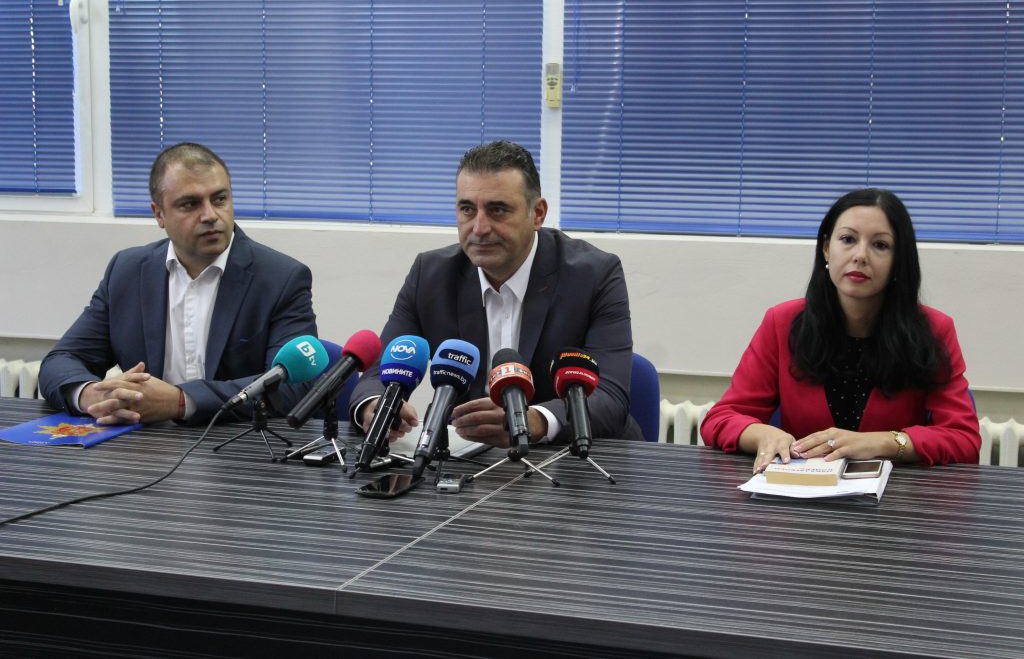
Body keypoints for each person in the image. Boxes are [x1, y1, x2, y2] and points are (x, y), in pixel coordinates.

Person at [349, 140, 643, 446]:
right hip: (468, 457)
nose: (479, 228)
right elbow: (377, 375)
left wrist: (534, 420)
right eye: (467, 209)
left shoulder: (594, 275)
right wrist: (374, 405)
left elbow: (610, 397)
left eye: (497, 210)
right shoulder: (431, 275)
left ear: (537, 213)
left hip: (575, 455)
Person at [39, 142, 318, 426]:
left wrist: (181, 402)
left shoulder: (281, 278)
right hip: (145, 444)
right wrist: (92, 395)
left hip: (237, 444)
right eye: (190, 204)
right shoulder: (127, 271)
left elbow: (295, 387)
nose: (210, 215)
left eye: (219, 199)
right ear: (159, 214)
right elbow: (61, 360)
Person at [700, 188, 979, 472]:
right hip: (800, 489)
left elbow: (964, 438)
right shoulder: (781, 323)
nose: (860, 256)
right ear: (826, 248)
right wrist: (763, 434)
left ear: (898, 260)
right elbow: (720, 419)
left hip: (896, 494)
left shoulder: (933, 330)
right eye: (848, 239)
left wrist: (884, 442)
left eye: (880, 245)